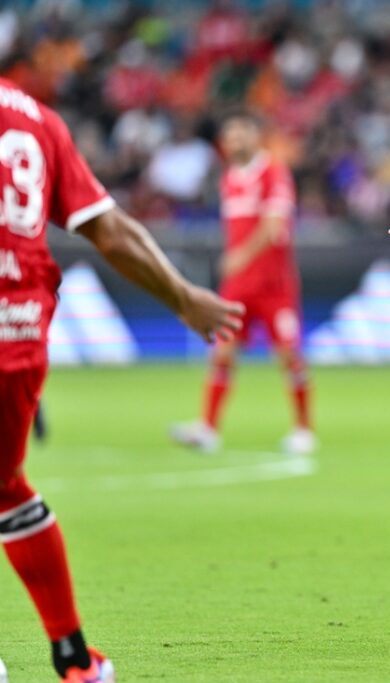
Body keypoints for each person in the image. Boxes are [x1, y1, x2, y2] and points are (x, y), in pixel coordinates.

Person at [0, 78, 242, 681]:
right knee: (6, 489)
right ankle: (75, 659)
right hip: (18, 331)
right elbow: (110, 230)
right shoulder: (37, 119)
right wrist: (182, 295)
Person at [171, 110, 314, 455]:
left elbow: (274, 225)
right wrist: (235, 262)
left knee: (288, 355)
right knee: (222, 354)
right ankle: (208, 429)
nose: (235, 142)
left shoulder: (273, 173)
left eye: (241, 134)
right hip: (238, 287)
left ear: (255, 136)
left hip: (274, 285)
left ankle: (303, 430)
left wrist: (239, 257)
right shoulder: (228, 178)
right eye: (230, 136)